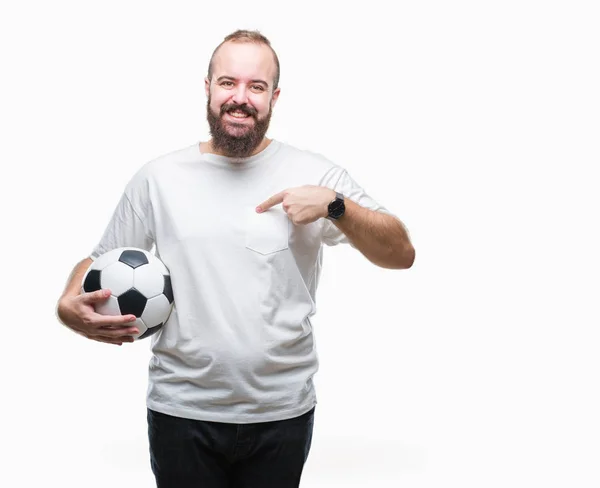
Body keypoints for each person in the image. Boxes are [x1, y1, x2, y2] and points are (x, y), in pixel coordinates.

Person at [56, 29, 415, 488]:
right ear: (207, 87)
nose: (240, 98)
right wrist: (67, 304)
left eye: (256, 87)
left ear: (275, 96)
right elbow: (99, 260)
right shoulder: (159, 178)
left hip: (282, 412)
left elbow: (401, 253)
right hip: (182, 411)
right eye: (228, 83)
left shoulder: (316, 174)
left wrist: (335, 205)